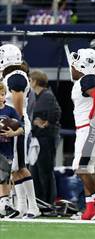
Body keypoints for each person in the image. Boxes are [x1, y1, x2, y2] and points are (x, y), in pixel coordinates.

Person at [68, 48, 95, 220]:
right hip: (86, 129)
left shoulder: (88, 78)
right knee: (85, 169)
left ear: (83, 65)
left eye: (75, 64)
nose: (72, 67)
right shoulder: (85, 80)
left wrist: (94, 114)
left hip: (89, 129)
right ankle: (90, 208)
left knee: (81, 168)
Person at [0, 44, 40, 219]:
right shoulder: (10, 75)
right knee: (14, 167)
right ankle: (22, 207)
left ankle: (34, 206)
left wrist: (16, 122)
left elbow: (17, 100)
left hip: (17, 125)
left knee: (20, 167)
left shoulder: (16, 76)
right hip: (13, 125)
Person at [29, 70, 61, 207]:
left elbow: (55, 113)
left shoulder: (46, 96)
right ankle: (40, 200)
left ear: (35, 81)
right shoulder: (37, 97)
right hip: (38, 138)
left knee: (45, 170)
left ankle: (47, 201)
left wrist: (45, 123)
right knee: (36, 170)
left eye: (30, 80)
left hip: (45, 138)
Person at [0, 82, 25, 218]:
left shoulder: (9, 110)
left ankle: (4, 205)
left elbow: (21, 128)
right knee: (2, 176)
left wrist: (12, 133)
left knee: (6, 177)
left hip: (7, 148)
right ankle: (5, 205)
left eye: (3, 94)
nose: (1, 97)